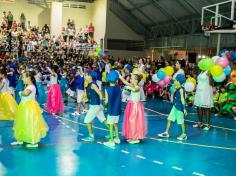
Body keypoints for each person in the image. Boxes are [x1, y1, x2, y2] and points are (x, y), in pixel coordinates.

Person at [11, 71, 48, 148]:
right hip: (24, 107)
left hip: (28, 108)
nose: (22, 79)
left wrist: (20, 93)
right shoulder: (28, 86)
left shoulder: (31, 86)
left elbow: (26, 93)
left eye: (24, 77)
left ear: (29, 78)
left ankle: (33, 141)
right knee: (22, 122)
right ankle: (20, 139)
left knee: (30, 123)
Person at [119, 73, 147, 144]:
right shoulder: (132, 85)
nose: (131, 80)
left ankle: (136, 138)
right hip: (131, 105)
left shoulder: (138, 87)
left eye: (132, 79)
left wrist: (128, 87)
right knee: (130, 121)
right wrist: (119, 76)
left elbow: (134, 89)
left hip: (135, 107)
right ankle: (131, 136)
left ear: (136, 81)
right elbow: (125, 82)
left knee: (134, 121)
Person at [158, 74, 188, 140]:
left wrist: (184, 109)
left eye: (176, 80)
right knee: (169, 119)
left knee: (181, 122)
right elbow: (171, 82)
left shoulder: (181, 89)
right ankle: (166, 132)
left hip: (180, 108)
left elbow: (183, 99)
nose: (175, 81)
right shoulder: (176, 87)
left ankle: (184, 134)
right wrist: (170, 79)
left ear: (179, 81)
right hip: (175, 106)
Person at [81, 70, 108, 142]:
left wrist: (102, 103)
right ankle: (113, 132)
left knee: (87, 120)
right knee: (103, 120)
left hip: (95, 106)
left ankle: (91, 136)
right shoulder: (89, 84)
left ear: (91, 77)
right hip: (95, 105)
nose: (85, 76)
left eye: (87, 75)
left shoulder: (93, 85)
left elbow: (100, 93)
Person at [103, 70, 121, 148]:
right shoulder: (119, 88)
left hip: (111, 110)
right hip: (117, 110)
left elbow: (106, 101)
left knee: (110, 125)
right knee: (116, 124)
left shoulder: (107, 89)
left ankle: (111, 141)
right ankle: (117, 138)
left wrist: (104, 103)